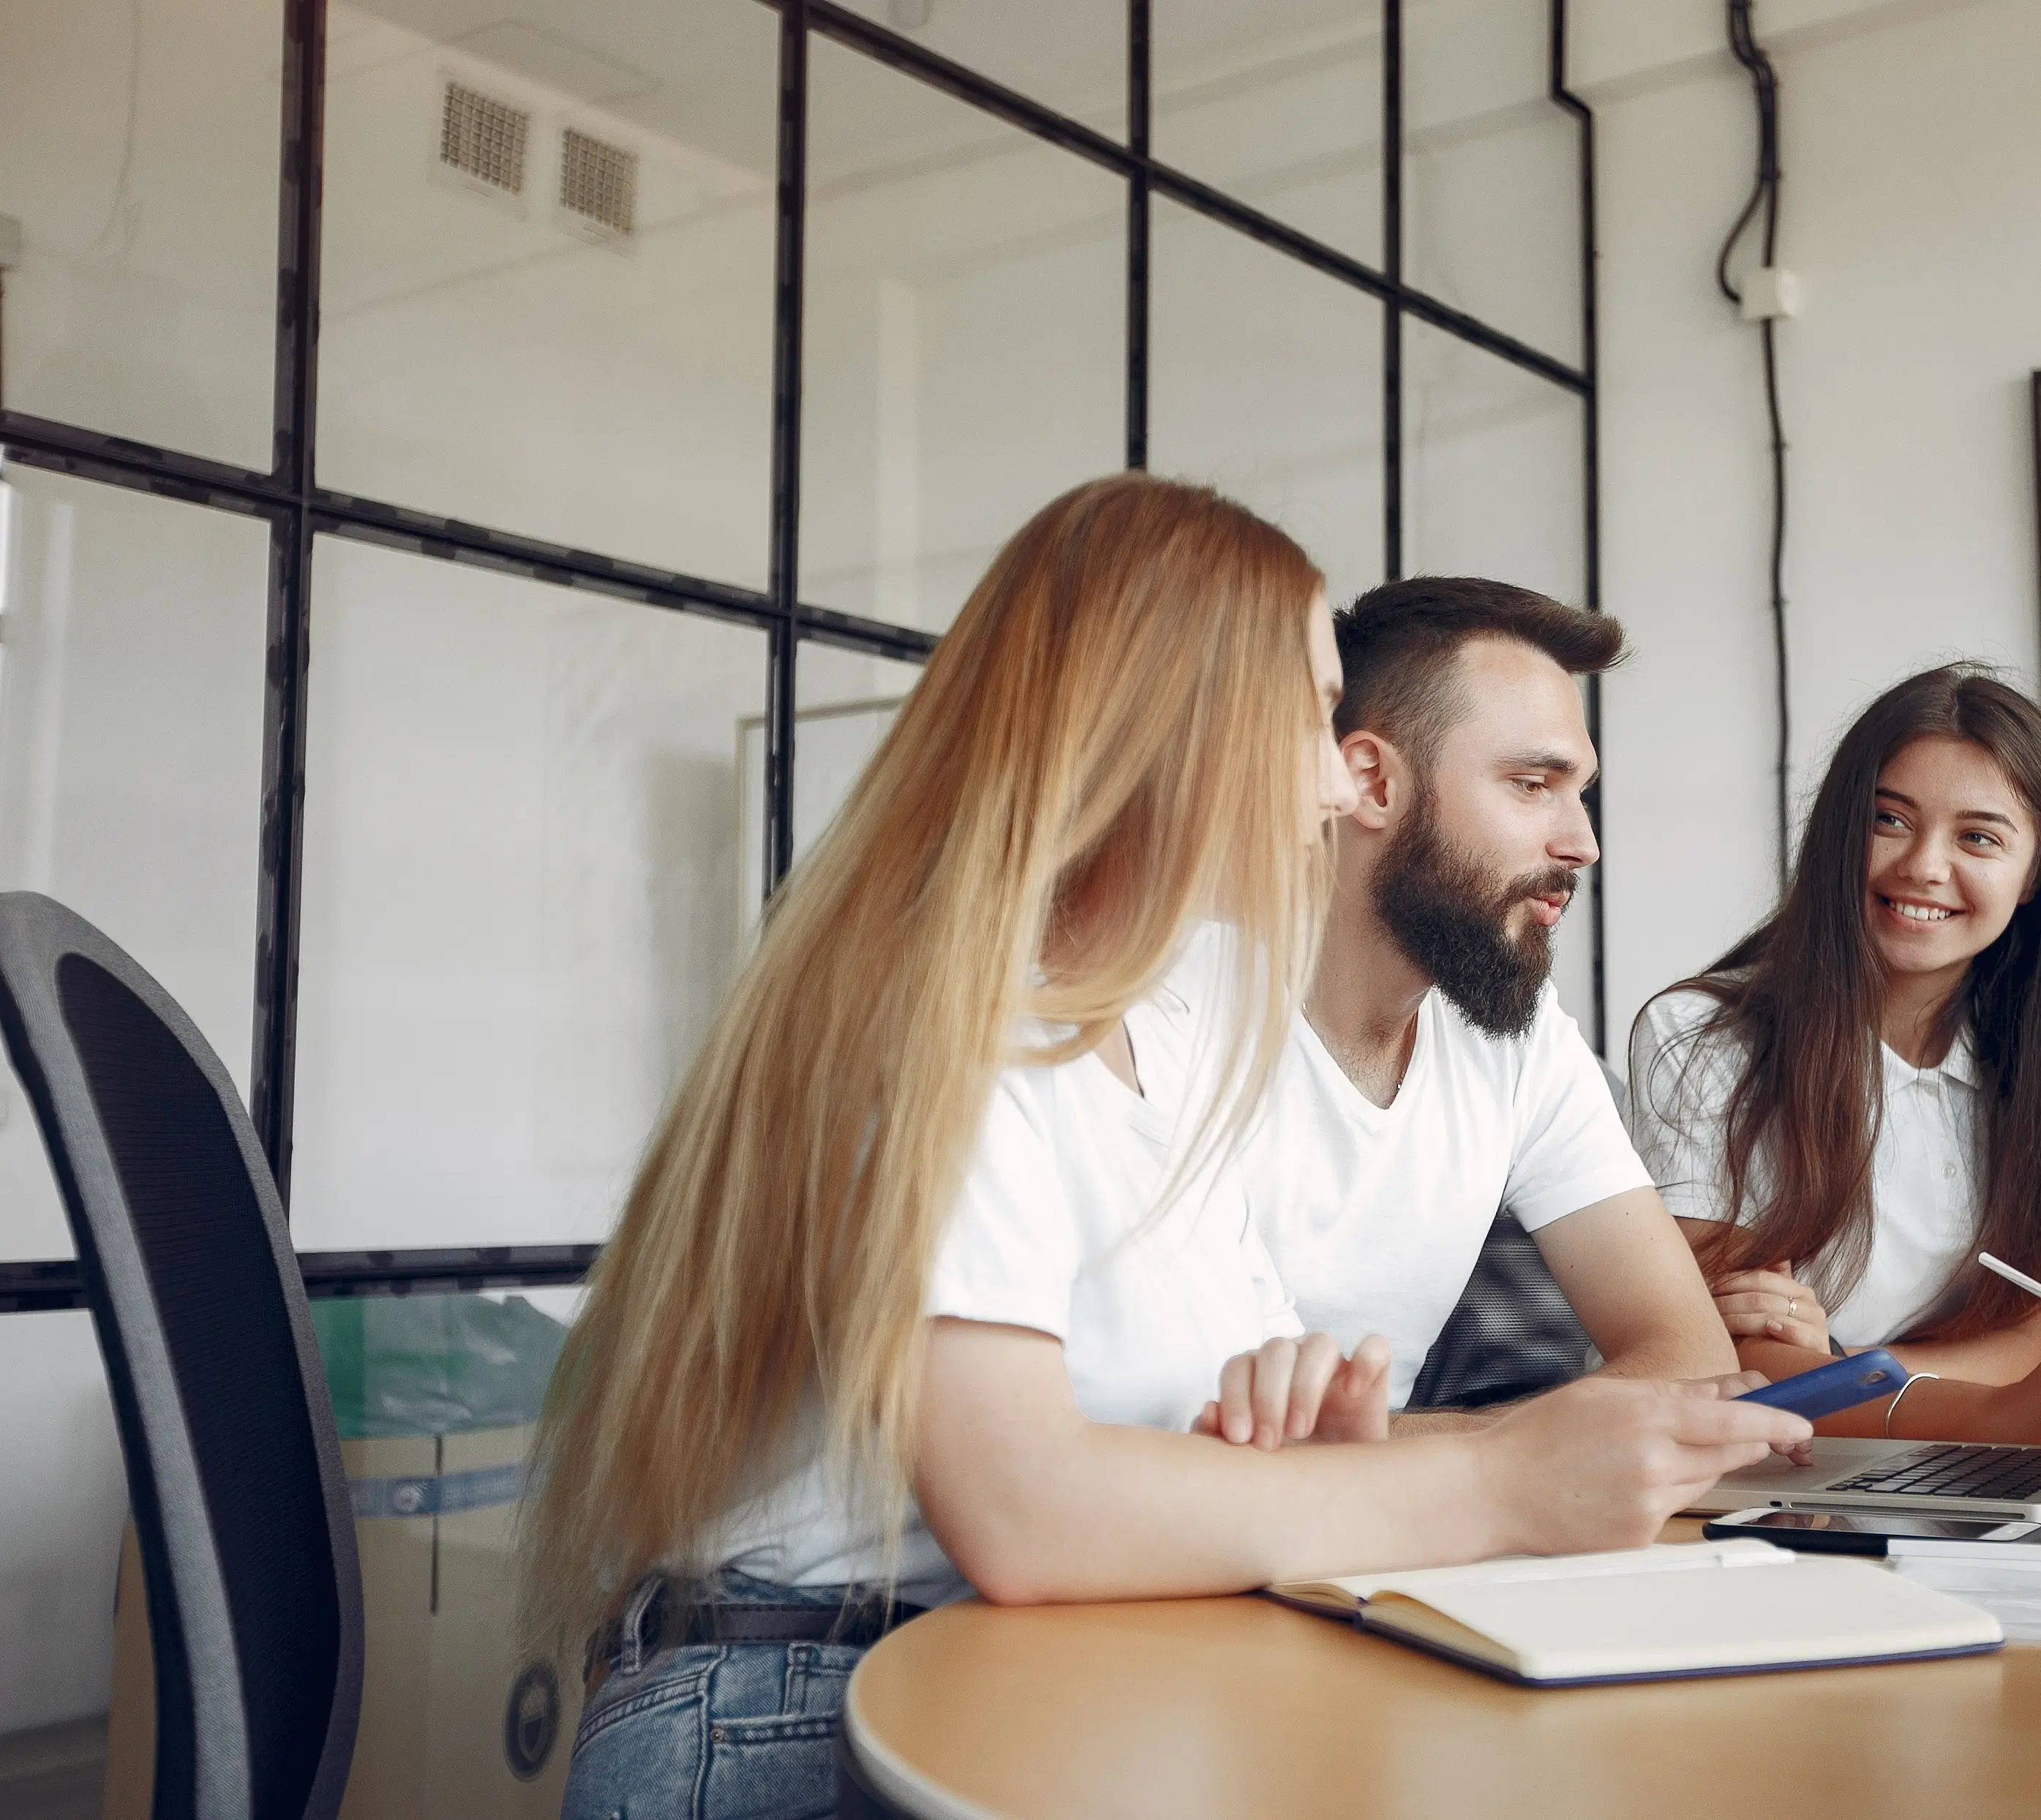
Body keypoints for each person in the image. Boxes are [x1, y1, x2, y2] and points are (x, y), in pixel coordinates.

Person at [525, 476, 1808, 1820]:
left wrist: (1315, 1442)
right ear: (1172, 726)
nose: (1336, 778)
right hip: (784, 1711)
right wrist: (1492, 1476)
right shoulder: (948, 1013)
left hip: (999, 1676)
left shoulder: (1169, 1051)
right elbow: (1022, 1502)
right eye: (1313, 717)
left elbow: (1192, 1457)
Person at [1219, 578, 1737, 1438]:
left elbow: (1694, 1365)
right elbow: (1216, 1424)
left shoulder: (1518, 1040)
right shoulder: (1181, 1011)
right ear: (1373, 784)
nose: (1582, 843)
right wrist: (1496, 1455)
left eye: (1581, 793)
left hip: (1369, 1534)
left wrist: (1430, 1452)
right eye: (1533, 784)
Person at [1626, 663, 2041, 1444]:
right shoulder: (1699, 1038)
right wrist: (1984, 1398)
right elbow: (1735, 1356)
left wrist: (1845, 1363)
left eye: (1978, 836)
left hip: (1951, 1456)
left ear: (2037, 869)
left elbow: (2035, 1339)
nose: (1923, 866)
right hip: (1759, 1471)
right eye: (1889, 820)